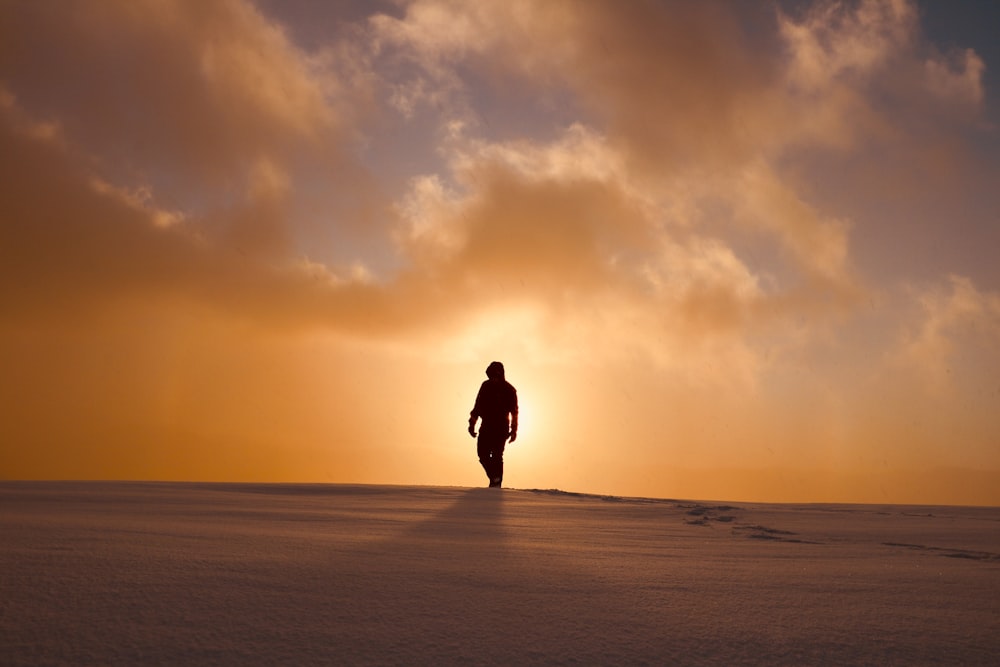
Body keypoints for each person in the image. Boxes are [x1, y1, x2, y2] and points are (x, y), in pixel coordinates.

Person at [468, 361, 518, 488]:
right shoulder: (485, 386)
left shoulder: (509, 390)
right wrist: (472, 424)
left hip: (501, 428)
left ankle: (496, 484)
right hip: (486, 427)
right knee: (482, 454)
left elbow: (514, 411)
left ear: (501, 374)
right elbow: (477, 406)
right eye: (491, 375)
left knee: (497, 455)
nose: (493, 378)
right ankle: (494, 478)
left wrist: (514, 430)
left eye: (496, 375)